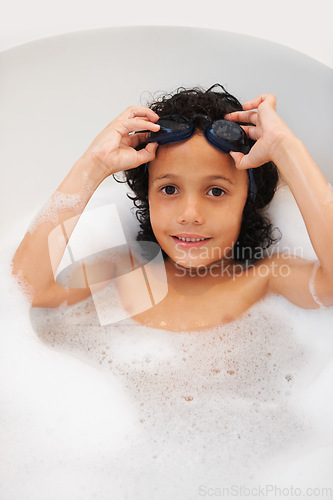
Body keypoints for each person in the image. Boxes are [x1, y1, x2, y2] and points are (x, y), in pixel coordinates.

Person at [11, 84, 333, 332]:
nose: (189, 214)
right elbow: (31, 289)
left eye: (216, 191)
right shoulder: (126, 273)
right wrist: (92, 165)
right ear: (146, 196)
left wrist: (285, 149)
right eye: (169, 189)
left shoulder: (265, 278)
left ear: (247, 200)